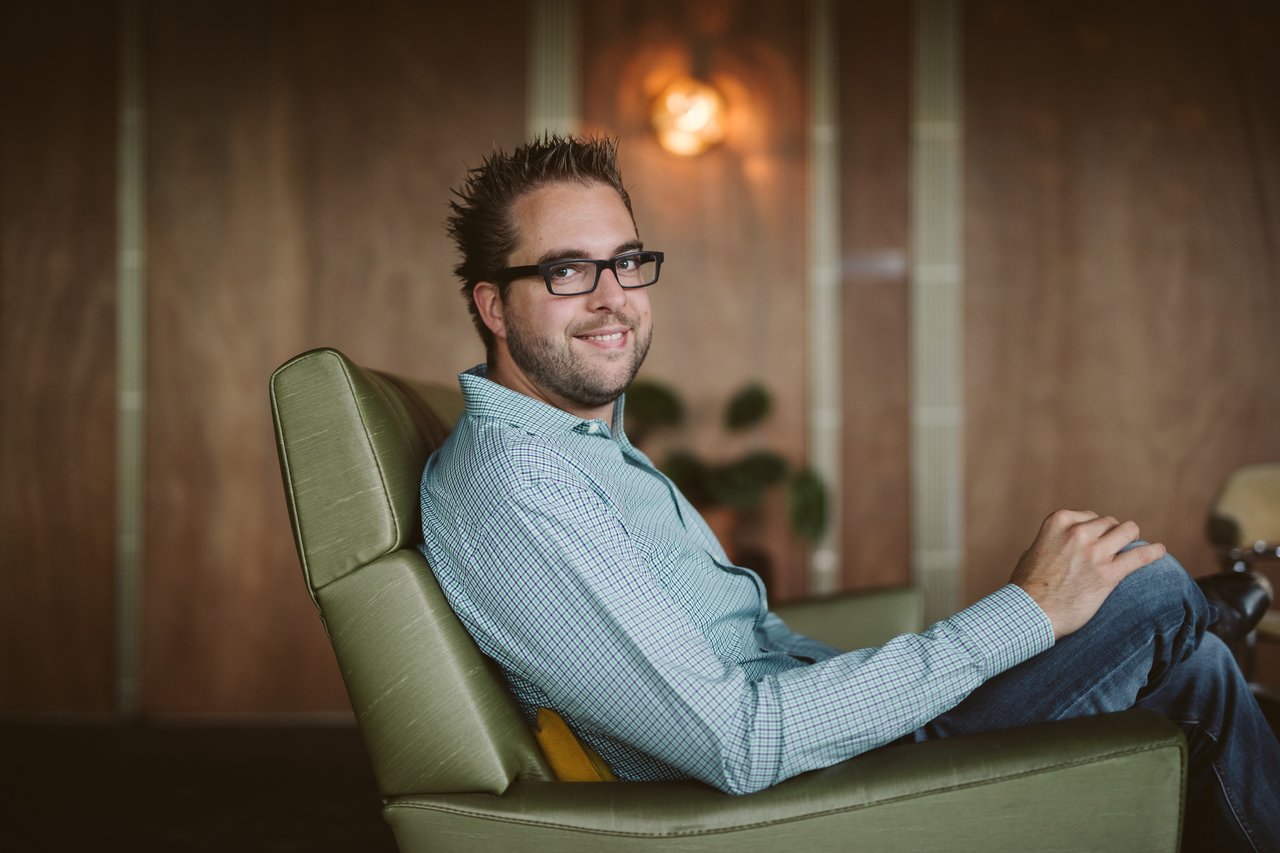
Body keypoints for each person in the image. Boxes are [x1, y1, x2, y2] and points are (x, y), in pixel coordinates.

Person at [419, 134, 1279, 850]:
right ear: (494, 306)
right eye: (568, 271)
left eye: (627, 261)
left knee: (1193, 665)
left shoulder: (579, 443)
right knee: (1148, 592)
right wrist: (1025, 613)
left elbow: (750, 657)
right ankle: (1200, 611)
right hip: (804, 797)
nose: (614, 299)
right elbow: (738, 741)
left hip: (838, 737)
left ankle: (1196, 624)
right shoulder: (518, 484)